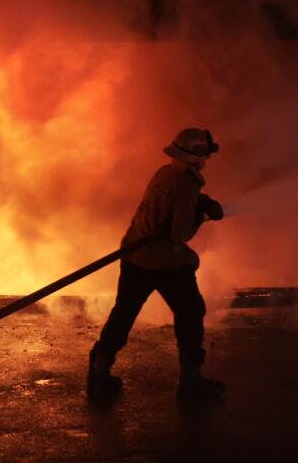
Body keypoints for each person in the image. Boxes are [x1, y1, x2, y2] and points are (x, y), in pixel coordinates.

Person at [87, 127, 226, 403]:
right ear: (196, 157)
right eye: (204, 156)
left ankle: (99, 373)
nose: (206, 161)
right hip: (165, 262)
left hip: (134, 256)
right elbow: (180, 234)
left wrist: (200, 200)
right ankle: (190, 381)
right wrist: (201, 213)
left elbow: (168, 201)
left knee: (124, 313)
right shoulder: (186, 183)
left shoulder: (166, 172)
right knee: (190, 312)